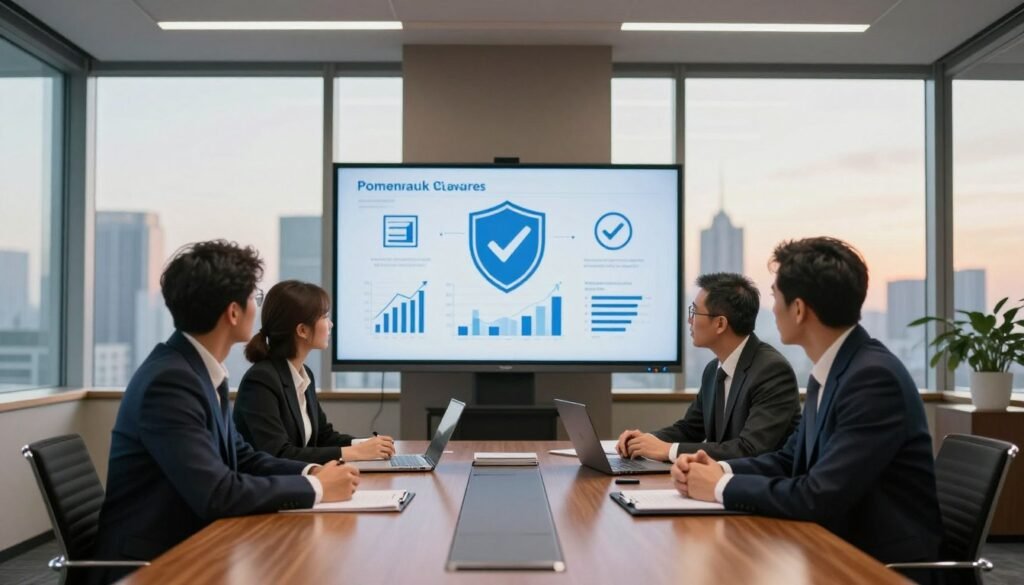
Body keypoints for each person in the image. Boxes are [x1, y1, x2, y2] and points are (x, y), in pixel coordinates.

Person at [92, 241, 360, 583]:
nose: (256, 308)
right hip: (154, 564)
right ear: (233, 313)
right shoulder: (170, 382)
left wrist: (314, 471)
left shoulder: (198, 371)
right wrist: (318, 489)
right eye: (254, 298)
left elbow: (244, 457)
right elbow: (217, 494)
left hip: (193, 542)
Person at [673, 237, 942, 566]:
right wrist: (717, 469)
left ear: (798, 309)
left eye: (775, 297)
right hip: (832, 547)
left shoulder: (872, 380)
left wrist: (720, 487)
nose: (771, 309)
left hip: (877, 565)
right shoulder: (834, 369)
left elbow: (818, 496)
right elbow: (788, 460)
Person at [616, 272, 800, 462]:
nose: (690, 320)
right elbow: (689, 429)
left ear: (720, 323)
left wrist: (669, 450)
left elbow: (750, 449)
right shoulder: (713, 370)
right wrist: (644, 441)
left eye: (694, 312)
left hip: (757, 486)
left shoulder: (772, 371)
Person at [234, 280, 395, 464]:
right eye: (325, 316)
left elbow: (323, 437)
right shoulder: (261, 381)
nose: (331, 324)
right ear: (302, 330)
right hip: (269, 488)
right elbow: (278, 453)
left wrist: (368, 444)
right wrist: (356, 453)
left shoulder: (303, 374)